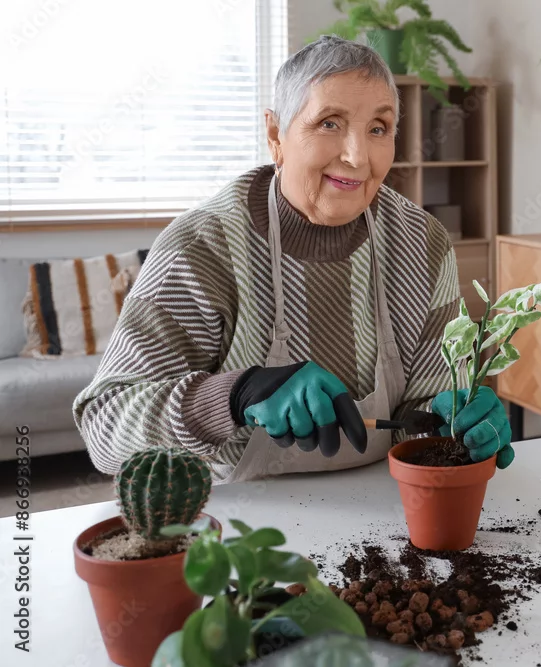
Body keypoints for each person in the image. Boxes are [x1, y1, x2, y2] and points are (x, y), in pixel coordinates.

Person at [72, 36, 514, 483]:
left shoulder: (423, 244)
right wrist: (234, 396)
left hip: (387, 501)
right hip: (242, 512)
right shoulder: (202, 248)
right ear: (275, 136)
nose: (357, 156)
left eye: (378, 128)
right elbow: (104, 430)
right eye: (329, 123)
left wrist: (452, 422)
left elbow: (422, 416)